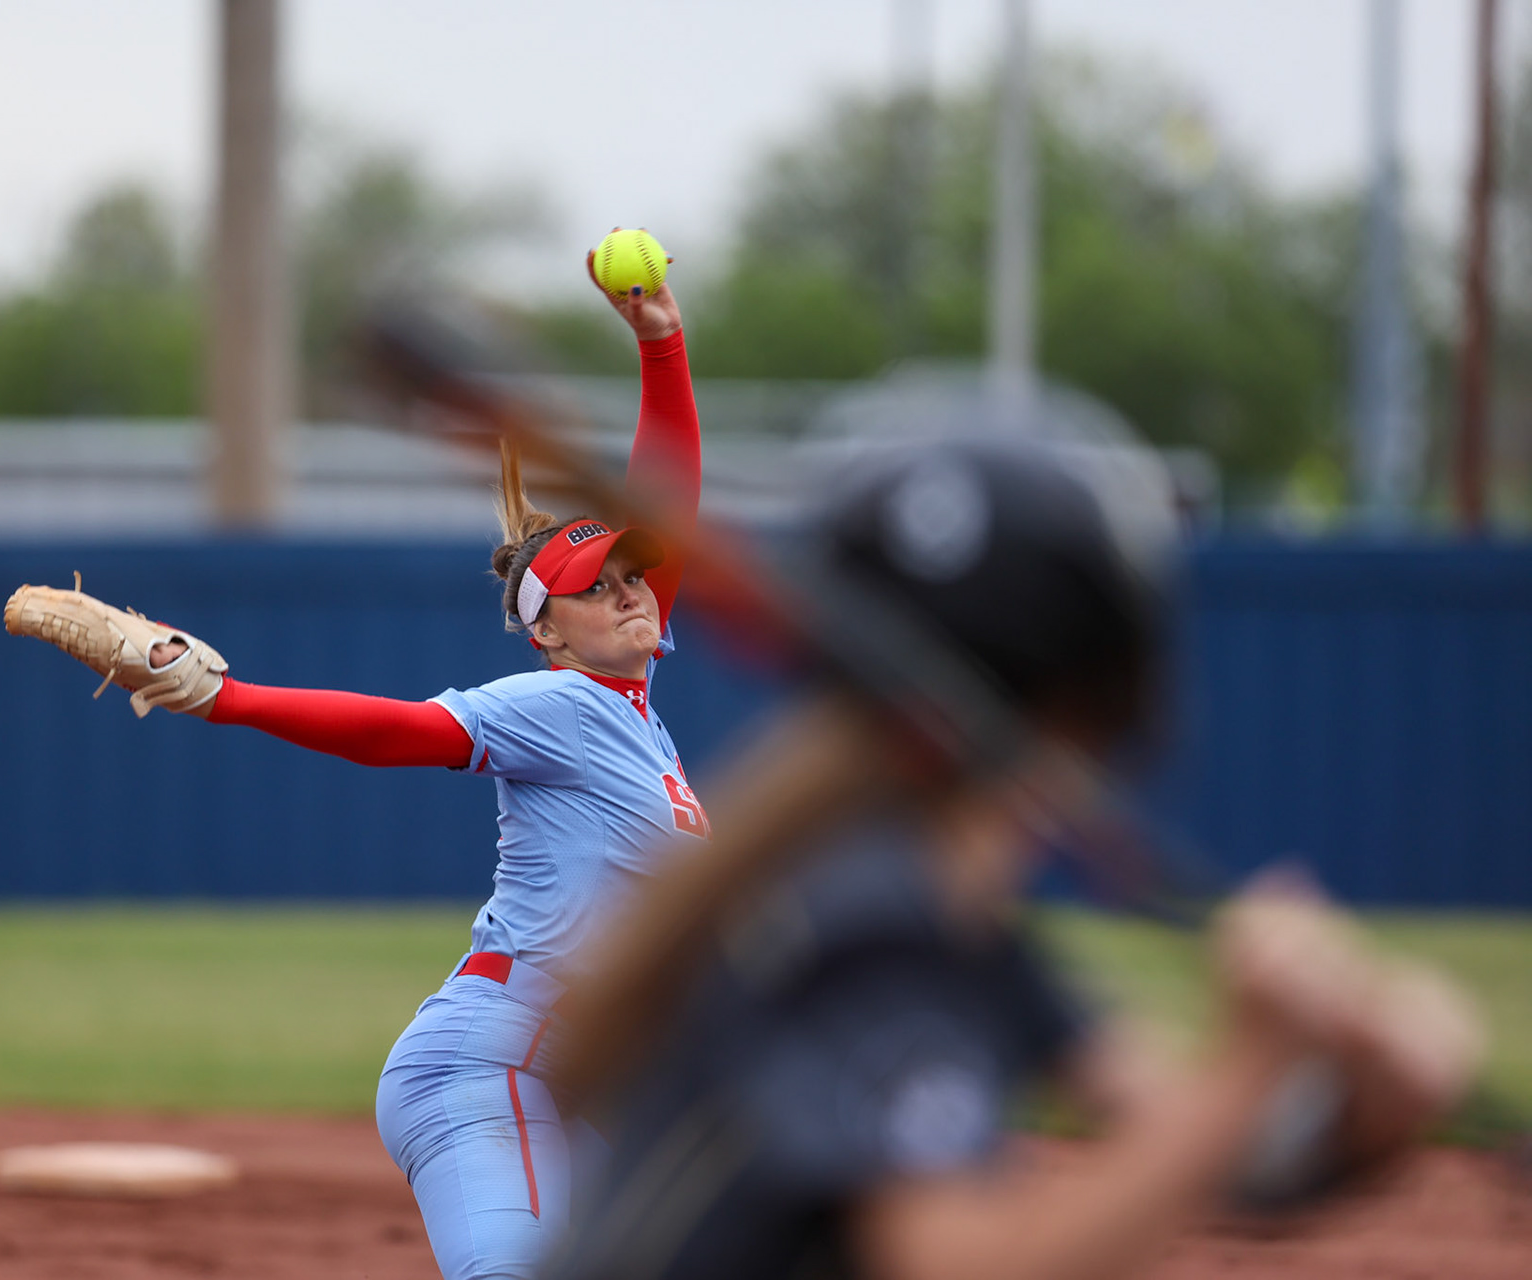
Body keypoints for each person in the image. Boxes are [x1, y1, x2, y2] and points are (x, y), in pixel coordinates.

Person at [544, 438, 1484, 1280]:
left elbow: (1222, 1152)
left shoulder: (954, 929)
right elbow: (972, 1262)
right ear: (1096, 692)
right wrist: (1250, 1063)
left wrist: (1363, 1108)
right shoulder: (873, 925)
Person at [5, 256, 702, 1280]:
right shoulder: (563, 705)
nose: (634, 592)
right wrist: (224, 696)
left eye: (636, 576)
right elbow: (400, 730)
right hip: (494, 1064)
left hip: (582, 1082)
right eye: (602, 586)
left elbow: (670, 508)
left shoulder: (632, 713)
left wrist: (661, 342)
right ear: (547, 630)